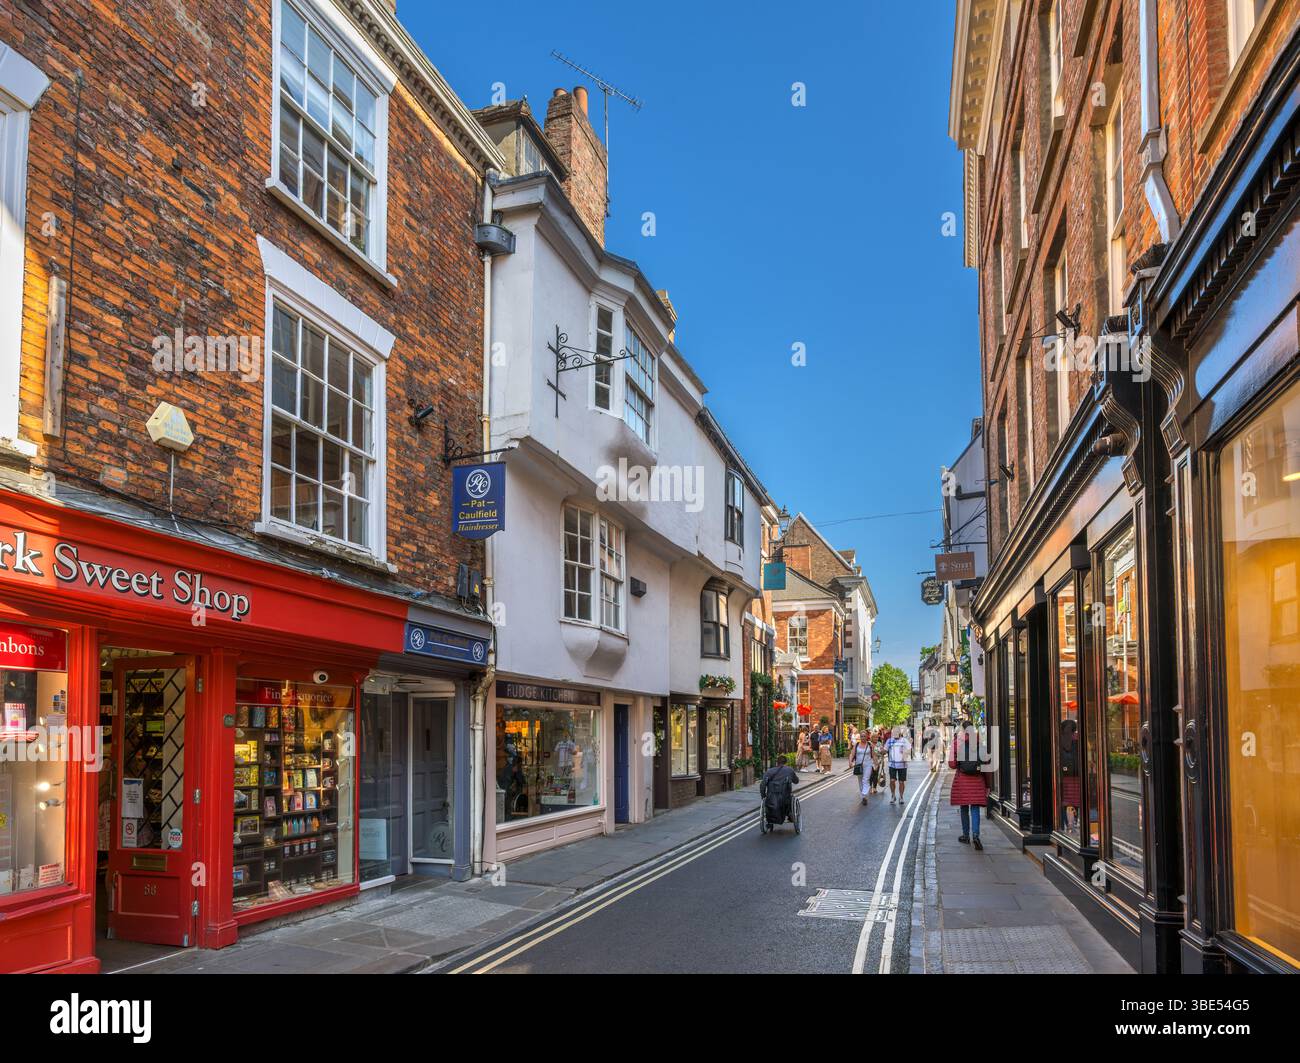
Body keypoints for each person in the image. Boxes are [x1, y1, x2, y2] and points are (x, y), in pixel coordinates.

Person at [949, 723, 989, 850]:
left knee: (964, 807)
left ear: (962, 729)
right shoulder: (979, 741)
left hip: (962, 779)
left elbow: (952, 764)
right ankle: (976, 835)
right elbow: (986, 763)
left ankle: (965, 835)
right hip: (977, 780)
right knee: (975, 808)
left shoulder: (957, 742)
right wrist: (987, 785)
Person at [760, 754, 802, 824]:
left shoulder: (769, 771)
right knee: (791, 798)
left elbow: (763, 785)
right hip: (785, 799)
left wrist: (763, 796)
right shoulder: (789, 770)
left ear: (777, 762)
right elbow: (796, 781)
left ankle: (770, 821)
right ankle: (790, 814)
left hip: (771, 797)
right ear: (786, 762)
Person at [886, 725, 912, 805]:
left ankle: (901, 797)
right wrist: (880, 750)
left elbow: (909, 750)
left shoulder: (904, 741)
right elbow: (885, 750)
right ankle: (893, 795)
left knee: (901, 782)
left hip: (902, 765)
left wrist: (905, 752)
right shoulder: (889, 741)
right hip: (892, 764)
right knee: (892, 780)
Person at [852, 732, 873, 806]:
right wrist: (850, 762)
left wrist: (876, 764)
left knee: (865, 779)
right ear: (860, 737)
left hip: (868, 765)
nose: (863, 737)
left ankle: (864, 794)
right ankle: (864, 797)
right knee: (860, 781)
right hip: (858, 765)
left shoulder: (870, 745)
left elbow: (874, 755)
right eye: (862, 736)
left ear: (867, 737)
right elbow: (852, 754)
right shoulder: (856, 745)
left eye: (864, 736)